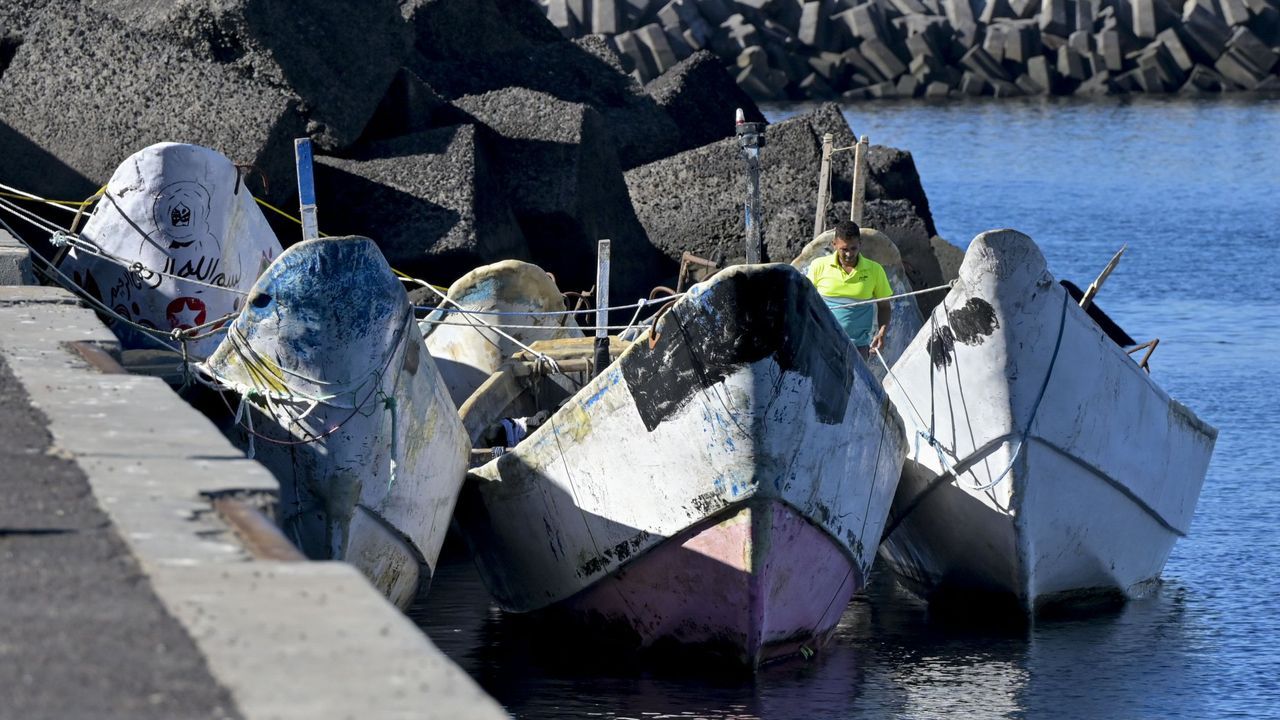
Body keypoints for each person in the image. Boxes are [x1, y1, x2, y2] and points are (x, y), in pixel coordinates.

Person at [806, 220, 892, 358]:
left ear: (860, 244)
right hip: (822, 344)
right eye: (844, 249)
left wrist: (882, 333)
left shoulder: (875, 270)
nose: (849, 254)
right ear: (834, 244)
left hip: (858, 348)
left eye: (853, 248)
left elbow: (884, 307)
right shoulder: (818, 266)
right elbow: (805, 303)